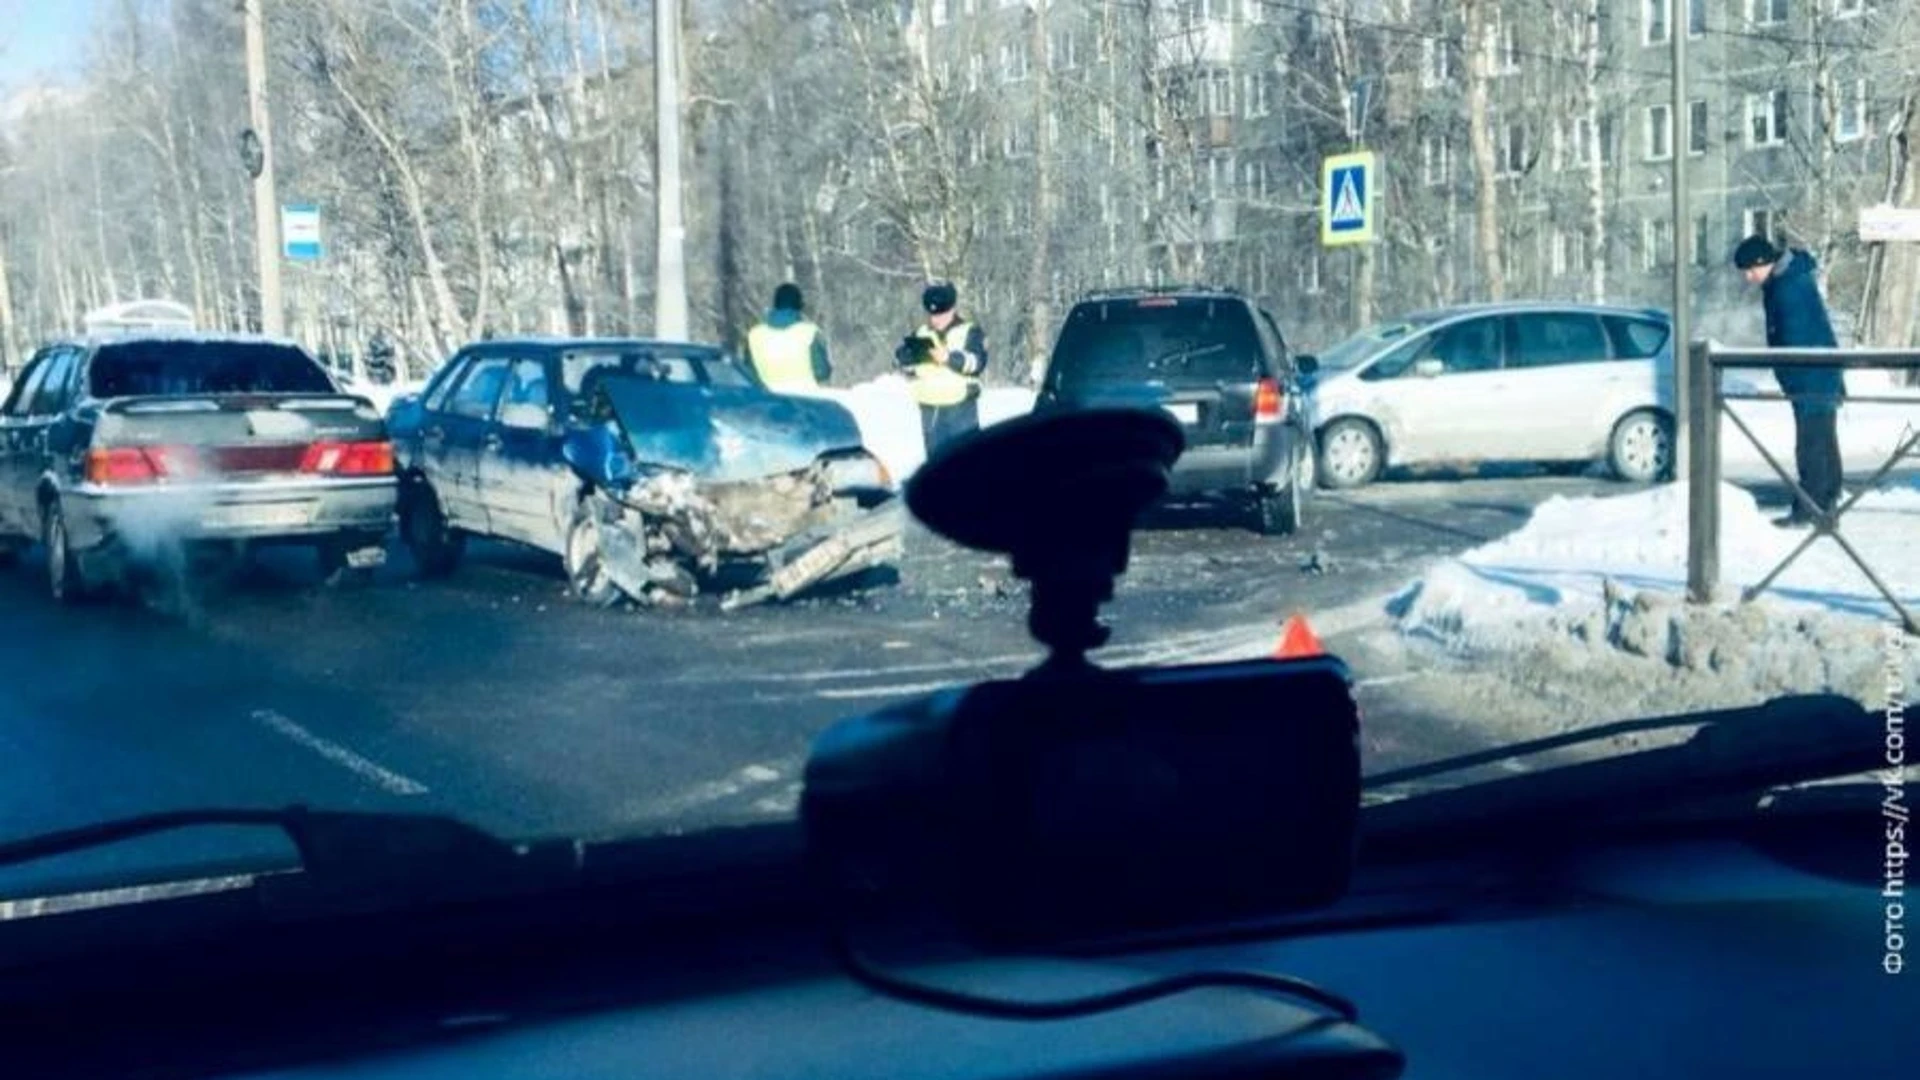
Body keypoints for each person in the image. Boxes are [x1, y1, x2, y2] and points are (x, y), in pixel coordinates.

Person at [1732, 235, 1846, 528]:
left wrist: (1792, 377)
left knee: (1811, 445)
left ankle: (1810, 509)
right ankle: (1827, 502)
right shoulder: (1789, 279)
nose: (1747, 277)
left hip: (1811, 377)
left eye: (1749, 270)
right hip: (1820, 374)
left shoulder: (1786, 288)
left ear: (1763, 262)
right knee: (1823, 441)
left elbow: (1795, 339)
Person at [895, 281, 988, 452]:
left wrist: (949, 358)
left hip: (960, 409)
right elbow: (905, 363)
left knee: (966, 462)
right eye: (932, 314)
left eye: (941, 314)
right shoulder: (922, 333)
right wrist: (907, 358)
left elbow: (977, 363)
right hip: (930, 408)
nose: (935, 319)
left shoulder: (969, 331)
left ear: (952, 309)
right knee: (937, 465)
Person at [745, 283, 831, 391]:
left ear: (775, 305)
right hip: (804, 401)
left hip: (767, 401)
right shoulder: (809, 333)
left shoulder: (754, 335)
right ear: (800, 306)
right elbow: (822, 372)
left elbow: (748, 373)